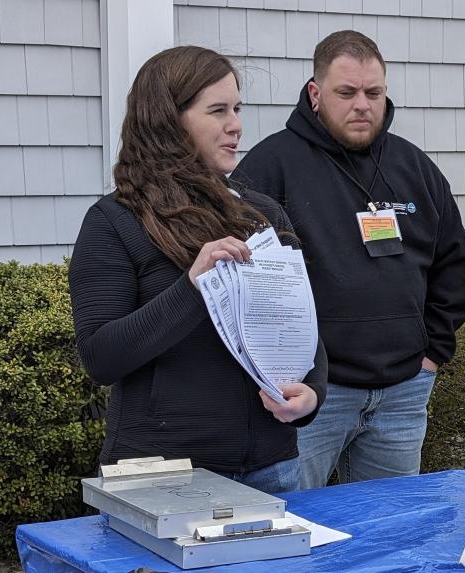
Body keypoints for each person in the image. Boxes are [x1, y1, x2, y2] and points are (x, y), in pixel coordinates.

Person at [69, 46, 327, 494]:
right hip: (164, 476)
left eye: (238, 108)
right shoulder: (114, 221)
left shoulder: (261, 212)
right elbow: (101, 357)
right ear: (169, 122)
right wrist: (194, 286)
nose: (236, 124)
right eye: (218, 110)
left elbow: (301, 328)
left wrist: (312, 395)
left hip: (272, 467)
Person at [233, 30, 465, 488]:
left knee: (389, 532)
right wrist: (278, 373)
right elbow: (245, 283)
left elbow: (454, 262)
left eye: (373, 92)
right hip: (311, 397)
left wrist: (433, 352)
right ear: (315, 94)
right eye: (346, 92)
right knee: (296, 529)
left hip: (404, 391)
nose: (362, 104)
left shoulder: (414, 167)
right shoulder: (270, 168)